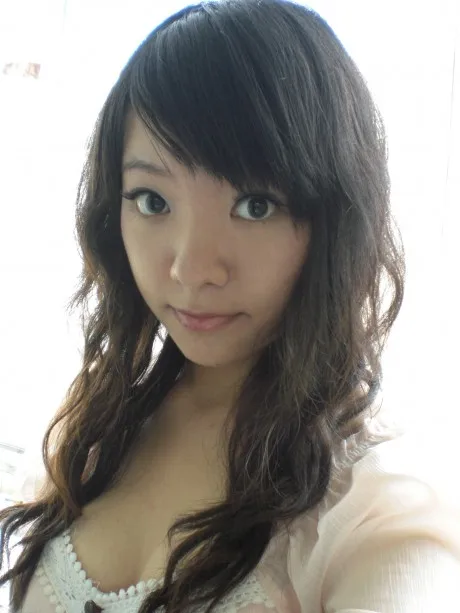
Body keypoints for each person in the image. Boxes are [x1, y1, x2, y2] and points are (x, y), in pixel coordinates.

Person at [1, 0, 459, 611]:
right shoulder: (96, 429)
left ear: (333, 221)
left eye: (255, 206)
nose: (191, 269)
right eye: (153, 201)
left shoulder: (372, 503)